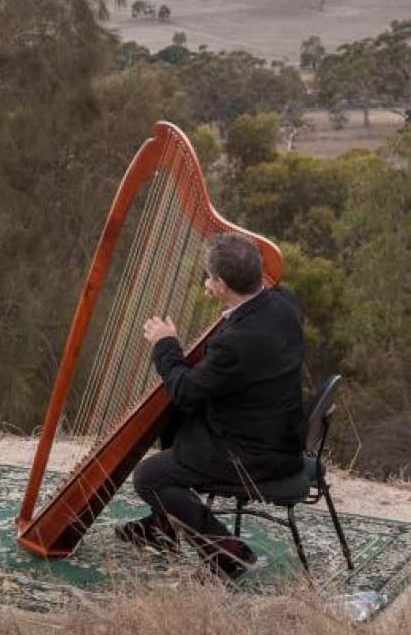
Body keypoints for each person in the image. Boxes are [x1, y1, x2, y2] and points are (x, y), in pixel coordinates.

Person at [116, 231, 305, 580]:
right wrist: (225, 297)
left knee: (149, 477)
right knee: (173, 419)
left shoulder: (235, 343)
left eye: (213, 280)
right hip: (283, 435)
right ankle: (164, 524)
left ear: (219, 282)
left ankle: (226, 552)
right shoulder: (284, 302)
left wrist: (165, 344)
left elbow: (186, 390)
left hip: (252, 457)